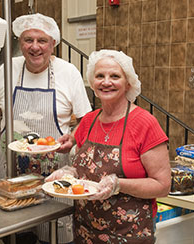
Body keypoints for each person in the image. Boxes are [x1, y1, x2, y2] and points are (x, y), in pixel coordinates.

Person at [0, 13, 92, 244]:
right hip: (11, 168)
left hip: (55, 175)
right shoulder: (7, 69)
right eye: (28, 40)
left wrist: (74, 137)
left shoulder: (68, 72)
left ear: (53, 44)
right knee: (14, 233)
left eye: (42, 41)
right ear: (20, 42)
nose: (35, 47)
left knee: (54, 233)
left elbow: (87, 121)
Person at [47, 49, 171, 243]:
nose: (106, 82)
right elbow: (86, 169)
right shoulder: (88, 121)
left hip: (129, 232)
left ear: (128, 82)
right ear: (92, 82)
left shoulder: (144, 123)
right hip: (85, 230)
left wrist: (119, 184)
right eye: (99, 76)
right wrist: (69, 172)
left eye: (115, 76)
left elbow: (162, 185)